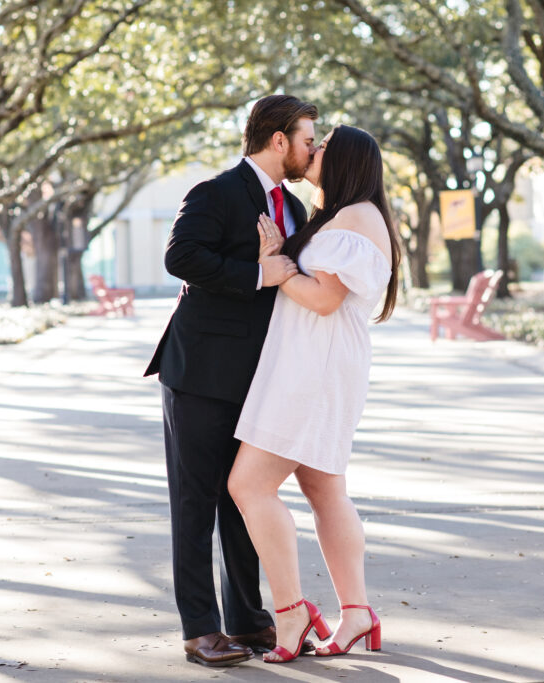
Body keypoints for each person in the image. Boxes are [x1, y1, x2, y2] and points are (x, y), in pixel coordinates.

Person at [144, 95, 319, 667]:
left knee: (246, 498)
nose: (311, 149)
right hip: (198, 374)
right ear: (277, 140)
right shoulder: (214, 192)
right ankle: (200, 630)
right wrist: (257, 273)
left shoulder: (293, 207)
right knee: (194, 503)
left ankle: (247, 621)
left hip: (259, 378)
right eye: (307, 139)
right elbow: (181, 257)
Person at [227, 124, 400, 663]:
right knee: (325, 491)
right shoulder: (341, 215)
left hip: (315, 366)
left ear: (345, 159)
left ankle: (291, 612)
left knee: (249, 486)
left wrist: (274, 269)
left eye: (323, 144)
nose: (314, 149)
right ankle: (356, 615)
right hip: (314, 360)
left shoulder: (357, 216)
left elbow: (325, 299)